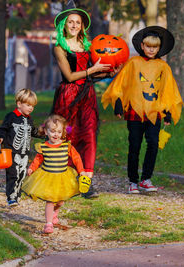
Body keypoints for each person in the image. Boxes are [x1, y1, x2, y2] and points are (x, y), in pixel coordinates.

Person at [101, 26, 183, 194]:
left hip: (155, 112)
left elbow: (168, 90)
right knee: (134, 146)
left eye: (155, 47)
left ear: (159, 48)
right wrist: (118, 103)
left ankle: (146, 178)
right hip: (135, 111)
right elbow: (121, 84)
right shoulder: (133, 63)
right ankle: (132, 181)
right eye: (148, 46)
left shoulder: (163, 67)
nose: (151, 49)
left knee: (153, 143)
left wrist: (167, 112)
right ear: (142, 46)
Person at [52, 7, 115, 198]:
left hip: (87, 96)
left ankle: (86, 182)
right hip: (68, 98)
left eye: (77, 22)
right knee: (68, 135)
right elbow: (70, 76)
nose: (74, 25)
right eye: (70, 22)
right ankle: (65, 178)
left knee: (89, 135)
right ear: (64, 25)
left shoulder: (87, 46)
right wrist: (92, 70)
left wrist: (109, 72)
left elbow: (92, 75)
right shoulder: (59, 47)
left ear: (82, 26)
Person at [22, 114, 86, 234]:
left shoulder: (66, 146)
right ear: (46, 132)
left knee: (60, 201)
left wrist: (81, 170)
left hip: (63, 177)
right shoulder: (44, 147)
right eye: (52, 131)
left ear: (63, 133)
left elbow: (76, 158)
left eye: (58, 132)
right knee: (50, 200)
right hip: (48, 177)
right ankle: (48, 223)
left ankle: (55, 213)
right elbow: (38, 160)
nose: (55, 134)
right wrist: (32, 168)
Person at [0, 88, 42, 206]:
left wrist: (44, 135)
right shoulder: (11, 116)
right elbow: (3, 128)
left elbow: (33, 131)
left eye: (32, 106)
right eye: (28, 105)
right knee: (12, 174)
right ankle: (11, 197)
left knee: (22, 175)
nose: (31, 108)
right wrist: (0, 136)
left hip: (25, 153)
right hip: (12, 152)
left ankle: (17, 195)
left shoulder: (29, 119)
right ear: (19, 104)